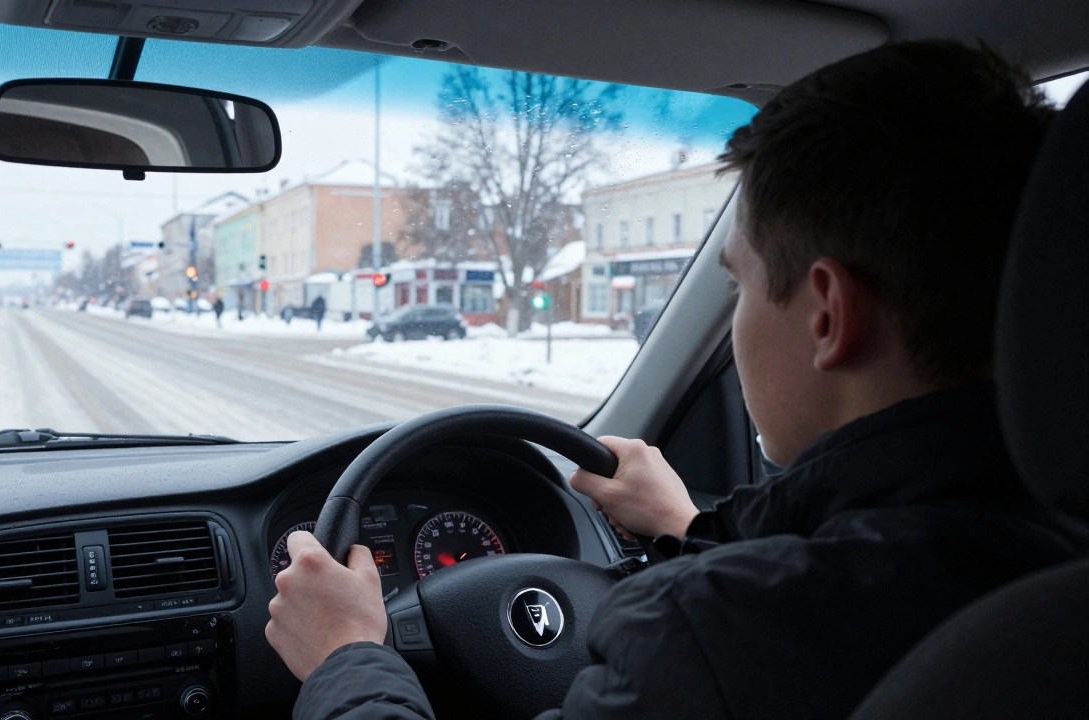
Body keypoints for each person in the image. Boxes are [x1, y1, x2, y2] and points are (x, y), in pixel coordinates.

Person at [264, 40, 1089, 720]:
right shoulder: (1047, 556)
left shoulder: (723, 639)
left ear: (828, 314)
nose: (734, 322)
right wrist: (687, 528)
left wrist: (346, 661)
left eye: (736, 285)